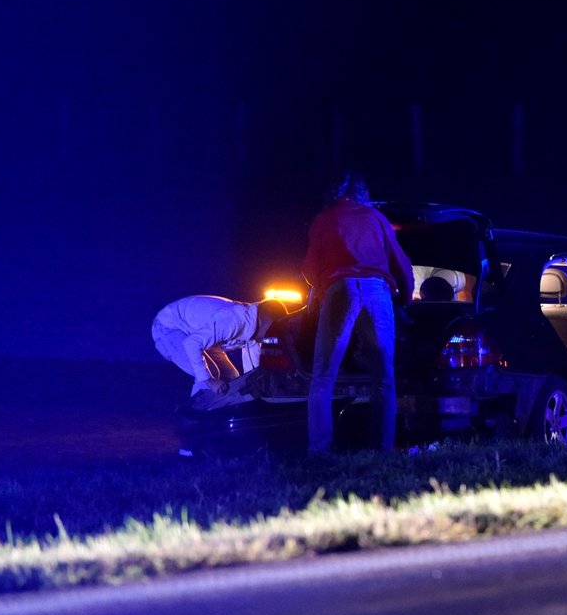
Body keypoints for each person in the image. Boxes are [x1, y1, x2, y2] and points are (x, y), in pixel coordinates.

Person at [302, 172, 414, 453]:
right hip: (378, 291)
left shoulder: (323, 219)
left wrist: (322, 290)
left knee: (324, 376)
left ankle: (320, 450)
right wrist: (406, 296)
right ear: (361, 192)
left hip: (340, 290)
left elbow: (309, 269)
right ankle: (383, 448)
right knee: (383, 376)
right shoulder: (375, 217)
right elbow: (400, 261)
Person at [152, 295, 289, 398]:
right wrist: (209, 380)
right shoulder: (233, 320)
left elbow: (252, 372)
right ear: (262, 320)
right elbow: (191, 344)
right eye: (272, 330)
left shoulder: (254, 330)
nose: (271, 336)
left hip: (200, 336)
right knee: (211, 375)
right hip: (168, 328)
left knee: (232, 378)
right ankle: (194, 420)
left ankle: (215, 415)